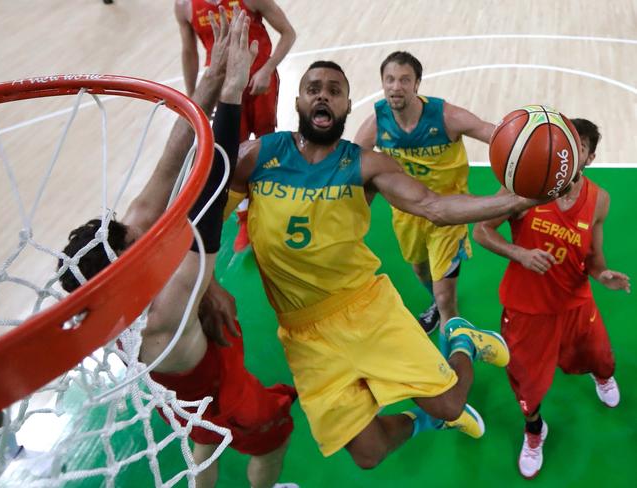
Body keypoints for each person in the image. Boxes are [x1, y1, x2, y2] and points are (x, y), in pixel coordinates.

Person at [215, 59, 545, 469]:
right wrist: (209, 281)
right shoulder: (259, 155)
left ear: (348, 105)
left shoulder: (365, 164)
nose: (323, 94)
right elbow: (206, 215)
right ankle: (428, 423)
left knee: (450, 401)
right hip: (303, 333)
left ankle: (461, 339)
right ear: (298, 100)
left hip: (365, 310)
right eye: (313, 87)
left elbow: (434, 205)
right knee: (369, 453)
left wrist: (517, 200)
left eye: (334, 90)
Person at [58, 11, 297, 488]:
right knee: (272, 435)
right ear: (124, 268)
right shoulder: (168, 302)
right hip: (208, 383)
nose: (135, 229)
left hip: (169, 387)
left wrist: (209, 82)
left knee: (202, 441)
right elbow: (211, 192)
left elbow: (172, 162)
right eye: (131, 240)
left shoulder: (109, 283)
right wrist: (230, 96)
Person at [472, 118, 630, 480]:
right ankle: (534, 431)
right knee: (528, 383)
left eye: (582, 148)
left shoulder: (599, 200)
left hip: (576, 302)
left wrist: (603, 275)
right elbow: (481, 231)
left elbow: (593, 258)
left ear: (589, 157)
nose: (573, 153)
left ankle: (601, 378)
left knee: (601, 359)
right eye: (568, 144)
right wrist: (519, 253)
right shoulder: (526, 186)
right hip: (527, 309)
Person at [355, 51, 495, 338]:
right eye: (390, 79)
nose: (396, 86)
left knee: (446, 301)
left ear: (417, 83)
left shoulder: (446, 116)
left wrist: (531, 145)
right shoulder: (377, 123)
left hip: (448, 212)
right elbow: (353, 165)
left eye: (405, 80)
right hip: (407, 214)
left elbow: (490, 132)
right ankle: (438, 301)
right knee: (421, 271)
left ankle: (452, 354)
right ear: (382, 83)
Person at [175, 0, 296, 252]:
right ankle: (244, 220)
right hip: (223, 90)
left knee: (265, 143)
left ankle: (272, 207)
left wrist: (267, 69)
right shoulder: (184, 6)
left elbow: (288, 32)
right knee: (230, 154)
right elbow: (189, 51)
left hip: (259, 80)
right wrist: (196, 98)